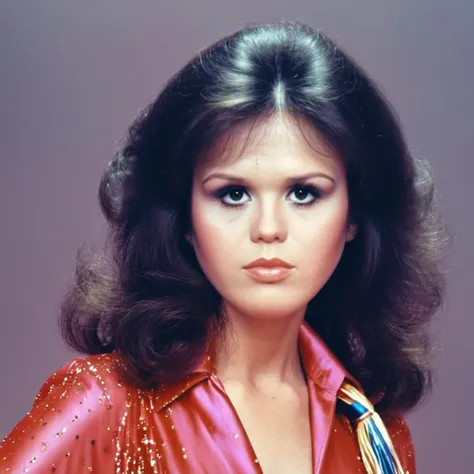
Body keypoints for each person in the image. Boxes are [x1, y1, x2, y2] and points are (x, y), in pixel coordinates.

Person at [0, 20, 448, 474]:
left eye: (304, 193)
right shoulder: (106, 406)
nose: (268, 228)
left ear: (354, 215)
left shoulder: (374, 434)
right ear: (185, 218)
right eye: (233, 194)